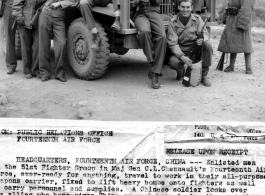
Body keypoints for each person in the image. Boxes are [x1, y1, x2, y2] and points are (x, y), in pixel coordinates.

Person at [167, 0, 212, 87]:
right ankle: (181, 74)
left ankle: (204, 76)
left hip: (195, 50)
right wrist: (181, 56)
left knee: (208, 45)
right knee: (173, 62)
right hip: (181, 51)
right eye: (183, 7)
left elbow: (205, 33)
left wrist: (202, 39)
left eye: (188, 7)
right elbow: (173, 43)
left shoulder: (197, 19)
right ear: (179, 7)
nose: (185, 10)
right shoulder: (173, 22)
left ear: (191, 8)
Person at [38, 0, 76, 82]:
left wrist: (60, 4)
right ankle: (44, 73)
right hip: (45, 14)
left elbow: (74, 1)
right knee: (44, 44)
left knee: (61, 44)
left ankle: (60, 73)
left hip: (59, 17)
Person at [218, 0, 256, 75]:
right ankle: (231, 66)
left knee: (246, 44)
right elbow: (228, 6)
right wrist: (225, 17)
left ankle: (248, 68)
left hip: (241, 20)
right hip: (232, 20)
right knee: (232, 42)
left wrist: (242, 23)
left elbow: (247, 8)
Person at [12, 0, 46, 79]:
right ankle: (27, 70)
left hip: (37, 19)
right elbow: (16, 4)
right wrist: (19, 17)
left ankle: (35, 70)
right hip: (24, 20)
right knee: (25, 46)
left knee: (37, 45)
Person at [1, 0, 17, 74]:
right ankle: (11, 65)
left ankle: (29, 67)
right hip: (9, 7)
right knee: (9, 38)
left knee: (26, 36)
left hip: (26, 7)